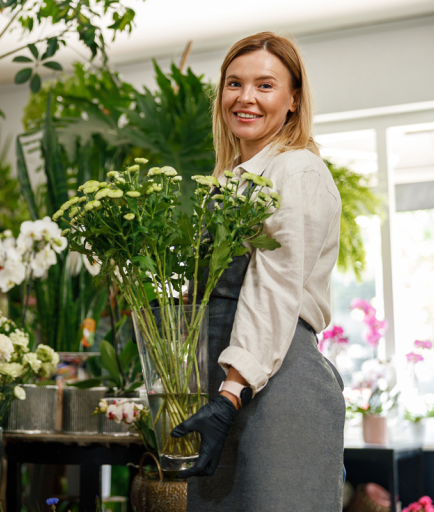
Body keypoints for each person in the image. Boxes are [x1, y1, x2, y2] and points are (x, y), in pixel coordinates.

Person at [171, 32, 346, 511]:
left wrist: (229, 395)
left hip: (278, 385)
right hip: (225, 382)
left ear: (293, 100)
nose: (245, 97)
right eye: (234, 83)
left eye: (265, 86)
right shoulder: (227, 183)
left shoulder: (298, 171)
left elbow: (273, 285)